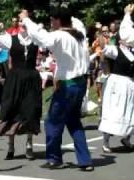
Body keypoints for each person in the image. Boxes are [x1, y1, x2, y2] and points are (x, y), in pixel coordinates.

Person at [18, 8, 93, 171]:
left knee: (52, 122)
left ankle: (54, 159)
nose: (51, 23)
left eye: (52, 20)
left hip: (68, 85)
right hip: (79, 83)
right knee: (74, 122)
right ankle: (85, 160)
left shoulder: (60, 35)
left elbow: (42, 39)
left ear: (58, 20)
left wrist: (26, 19)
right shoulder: (79, 34)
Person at [0, 12, 42, 160]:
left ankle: (29, 145)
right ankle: (11, 145)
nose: (22, 24)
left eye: (24, 21)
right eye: (20, 21)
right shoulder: (10, 39)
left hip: (31, 79)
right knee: (10, 109)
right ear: (17, 24)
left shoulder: (36, 39)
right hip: (15, 80)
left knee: (31, 111)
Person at [98, 4, 134, 153]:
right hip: (117, 84)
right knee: (114, 111)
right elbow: (104, 48)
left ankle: (127, 138)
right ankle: (106, 140)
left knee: (131, 112)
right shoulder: (115, 50)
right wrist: (101, 33)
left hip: (130, 84)